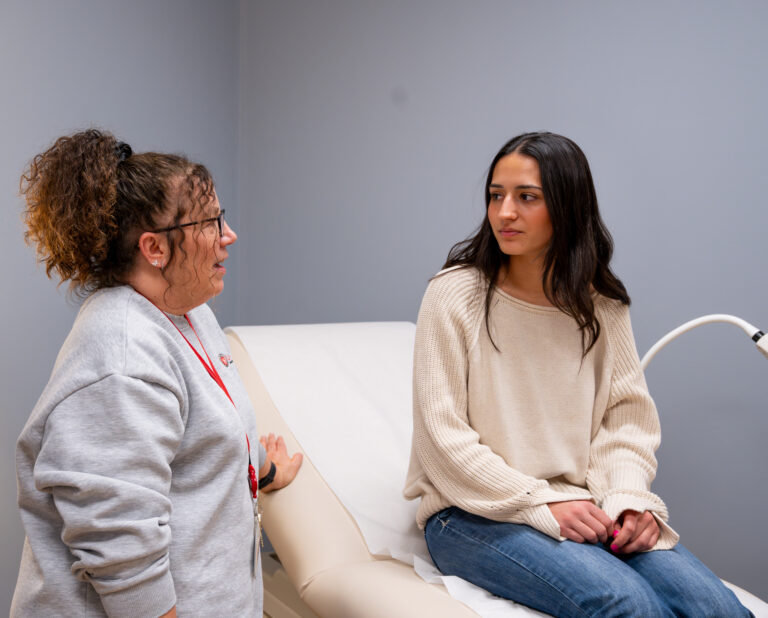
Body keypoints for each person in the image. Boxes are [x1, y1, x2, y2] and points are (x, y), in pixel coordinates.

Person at [403, 132, 750, 617]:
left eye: (527, 198)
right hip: (471, 514)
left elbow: (624, 421)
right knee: (629, 605)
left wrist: (629, 501)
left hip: (581, 504)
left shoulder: (602, 305)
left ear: (567, 205)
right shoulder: (454, 293)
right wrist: (538, 503)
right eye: (495, 195)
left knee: (718, 609)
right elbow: (443, 439)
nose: (504, 213)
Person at [11, 129, 302, 617]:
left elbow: (206, 429)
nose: (228, 236)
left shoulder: (188, 312)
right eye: (211, 223)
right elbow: (124, 559)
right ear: (155, 248)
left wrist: (263, 469)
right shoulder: (122, 356)